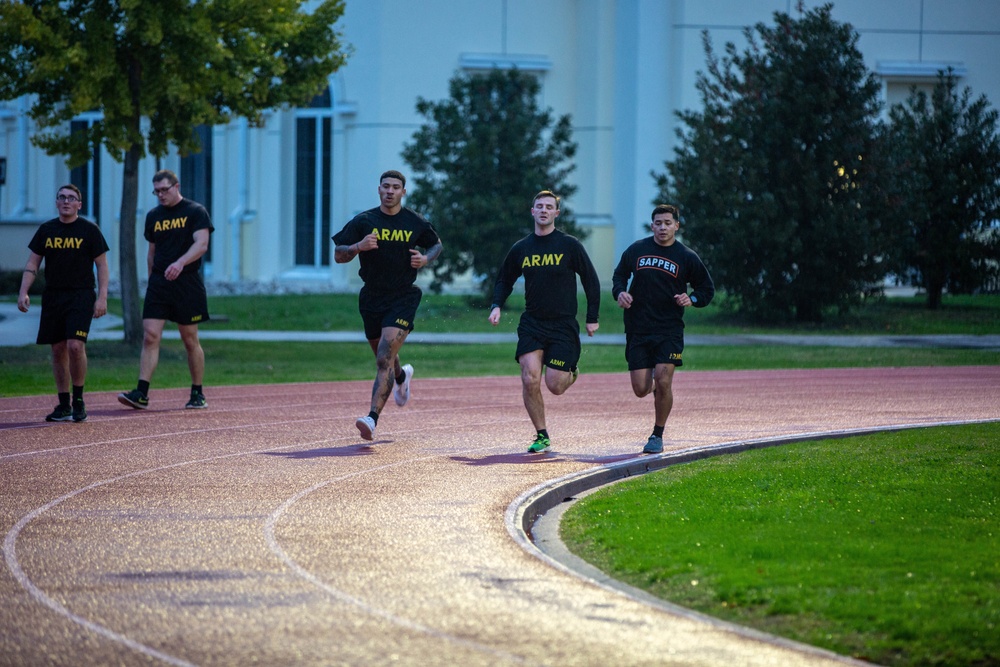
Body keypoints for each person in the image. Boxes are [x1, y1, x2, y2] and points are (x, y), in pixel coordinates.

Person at [332, 170, 442, 441]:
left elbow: (436, 245)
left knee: (383, 356)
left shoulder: (414, 221)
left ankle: (371, 418)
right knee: (384, 356)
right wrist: (359, 245)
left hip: (403, 296)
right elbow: (339, 255)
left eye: (396, 187)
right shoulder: (364, 221)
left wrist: (425, 259)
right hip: (371, 296)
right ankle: (401, 377)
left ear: (403, 192)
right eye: (386, 187)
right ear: (379, 190)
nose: (390, 191)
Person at [489, 190, 601, 453]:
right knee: (529, 378)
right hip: (533, 323)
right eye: (539, 206)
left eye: (549, 207)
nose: (543, 210)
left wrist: (592, 317)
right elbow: (504, 279)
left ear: (556, 213)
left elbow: (590, 279)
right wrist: (496, 305)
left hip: (563, 325)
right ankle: (541, 435)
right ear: (532, 211)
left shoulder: (569, 245)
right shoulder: (522, 248)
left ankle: (572, 373)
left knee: (555, 385)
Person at [611, 203, 714, 454]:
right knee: (640, 389)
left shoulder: (687, 256)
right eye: (658, 223)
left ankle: (657, 434)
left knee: (664, 379)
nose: (663, 227)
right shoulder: (637, 250)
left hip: (669, 329)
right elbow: (619, 276)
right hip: (638, 327)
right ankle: (655, 387)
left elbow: (706, 289)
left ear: (676, 226)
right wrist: (620, 293)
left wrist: (692, 299)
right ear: (652, 225)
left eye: (668, 223)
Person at [118, 169, 214, 411]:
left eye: (164, 190)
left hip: (187, 282)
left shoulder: (195, 211)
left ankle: (197, 392)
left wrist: (180, 263)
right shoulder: (153, 216)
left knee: (189, 338)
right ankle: (141, 392)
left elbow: (201, 245)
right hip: (160, 283)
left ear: (176, 186)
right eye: (156, 191)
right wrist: (152, 281)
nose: (160, 195)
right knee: (150, 335)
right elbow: (152, 252)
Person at [18, 184, 110, 422]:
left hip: (81, 295)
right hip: (53, 296)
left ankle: (78, 400)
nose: (66, 201)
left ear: (79, 204)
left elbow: (102, 265)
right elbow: (32, 264)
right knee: (57, 349)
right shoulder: (46, 230)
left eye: (71, 198)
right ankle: (63, 404)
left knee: (75, 346)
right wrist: (23, 291)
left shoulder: (89, 230)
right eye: (62, 197)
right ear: (57, 202)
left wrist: (102, 297)